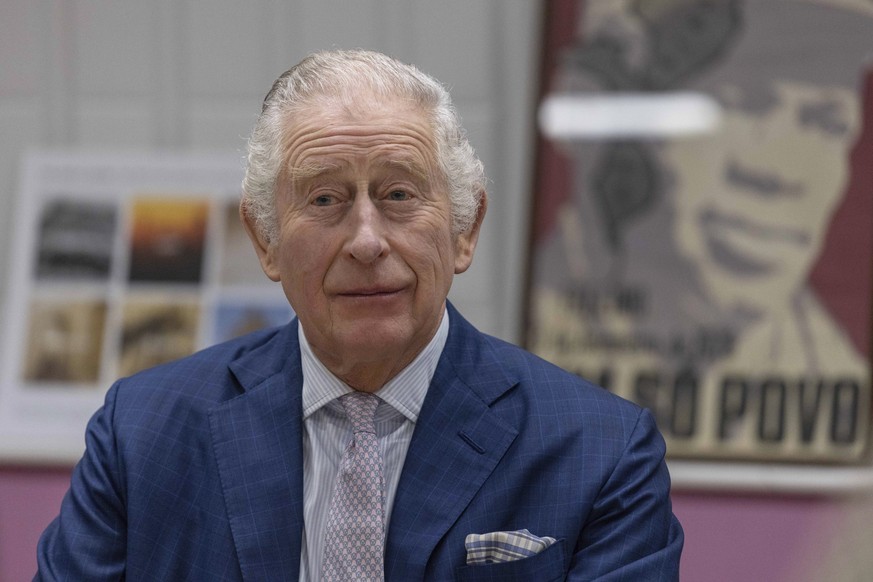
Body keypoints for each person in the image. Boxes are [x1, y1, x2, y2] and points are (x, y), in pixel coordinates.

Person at [35, 49, 683, 581]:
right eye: (324, 199)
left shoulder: (599, 451)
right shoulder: (143, 433)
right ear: (264, 239)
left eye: (399, 194)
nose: (366, 240)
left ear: (464, 229)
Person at [530, 0, 873, 460]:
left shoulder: (837, 380)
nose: (784, 174)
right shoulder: (503, 354)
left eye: (825, 121)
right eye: (736, 103)